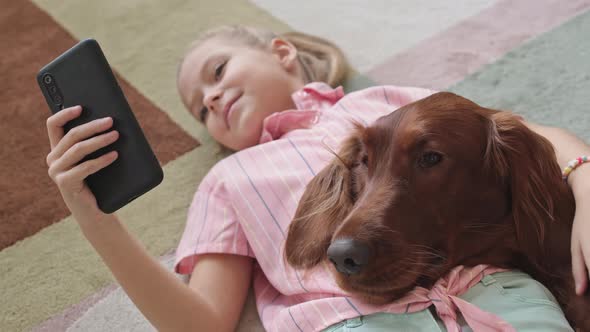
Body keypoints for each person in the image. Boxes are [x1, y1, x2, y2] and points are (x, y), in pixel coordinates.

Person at [45, 25, 590, 331]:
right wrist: (95, 222)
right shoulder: (230, 179)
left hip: (491, 287)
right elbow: (203, 325)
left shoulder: (382, 101)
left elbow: (527, 135)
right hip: (351, 321)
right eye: (200, 110)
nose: (210, 98)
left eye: (217, 72)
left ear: (282, 53)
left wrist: (585, 188)